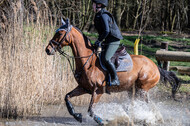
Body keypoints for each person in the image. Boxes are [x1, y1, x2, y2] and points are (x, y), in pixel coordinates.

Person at [92, 0, 123, 86]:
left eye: (93, 4)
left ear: (99, 5)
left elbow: (106, 30)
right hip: (107, 40)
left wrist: (99, 40)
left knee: (106, 58)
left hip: (114, 40)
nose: (92, 6)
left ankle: (116, 79)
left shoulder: (104, 15)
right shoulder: (98, 15)